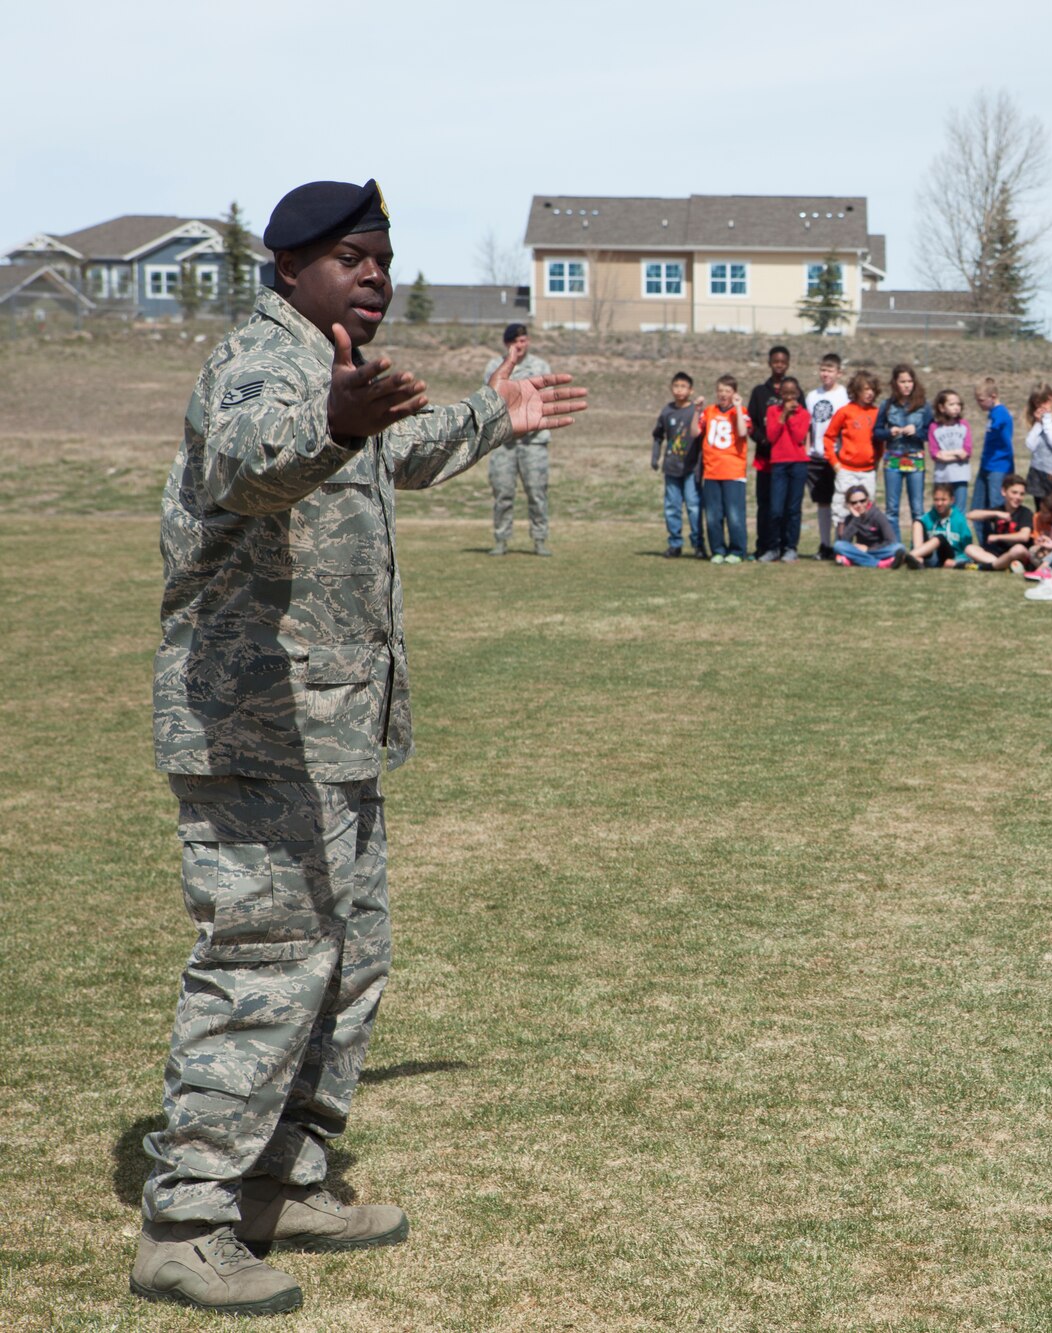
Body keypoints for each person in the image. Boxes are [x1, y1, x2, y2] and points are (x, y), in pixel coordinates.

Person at [135, 179, 586, 1315]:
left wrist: (497, 416)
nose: (375, 274)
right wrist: (332, 420)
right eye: (350, 256)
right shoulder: (264, 364)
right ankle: (186, 1220)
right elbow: (250, 460)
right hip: (257, 727)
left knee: (346, 959)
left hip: (332, 728)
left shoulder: (341, 373)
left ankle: (279, 1179)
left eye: (383, 256)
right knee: (262, 963)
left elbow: (399, 449)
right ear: (289, 268)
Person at [484, 322, 555, 556]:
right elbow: (488, 402)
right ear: (507, 344)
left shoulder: (540, 366)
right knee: (503, 493)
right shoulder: (495, 367)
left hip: (533, 442)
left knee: (537, 492)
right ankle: (501, 539)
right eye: (515, 341)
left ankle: (540, 539)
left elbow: (546, 400)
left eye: (523, 340)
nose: (520, 345)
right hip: (504, 442)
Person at [698, 375, 752, 563]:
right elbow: (695, 432)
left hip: (733, 471)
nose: (723, 395)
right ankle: (718, 550)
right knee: (713, 515)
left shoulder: (741, 411)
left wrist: (737, 407)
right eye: (720, 391)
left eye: (727, 391)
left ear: (734, 393)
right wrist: (696, 411)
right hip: (712, 471)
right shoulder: (709, 411)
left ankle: (737, 550)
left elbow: (743, 432)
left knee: (734, 515)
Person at [650, 370, 703, 558]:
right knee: (672, 506)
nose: (679, 390)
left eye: (683, 386)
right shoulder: (667, 411)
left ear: (691, 390)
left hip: (691, 468)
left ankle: (698, 545)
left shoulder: (696, 411)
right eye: (676, 386)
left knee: (693, 506)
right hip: (672, 467)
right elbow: (658, 436)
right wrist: (655, 457)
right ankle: (675, 543)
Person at [875, 363, 931, 540]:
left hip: (915, 458)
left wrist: (917, 432)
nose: (907, 385)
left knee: (917, 508)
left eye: (909, 381)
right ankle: (895, 547)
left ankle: (918, 548)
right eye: (902, 381)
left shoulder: (923, 405)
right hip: (893, 459)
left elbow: (930, 433)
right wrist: (888, 433)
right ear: (895, 383)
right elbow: (876, 431)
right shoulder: (887, 405)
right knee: (892, 508)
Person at [759, 375, 810, 562]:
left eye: (792, 393)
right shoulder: (773, 410)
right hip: (779, 463)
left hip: (798, 463)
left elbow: (799, 437)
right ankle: (773, 547)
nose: (789, 397)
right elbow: (771, 436)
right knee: (776, 509)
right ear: (780, 393)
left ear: (798, 394)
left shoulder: (804, 414)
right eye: (785, 393)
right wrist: (782, 415)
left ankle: (790, 547)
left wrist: (791, 417)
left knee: (793, 509)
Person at [747, 345, 790, 559]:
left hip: (786, 459)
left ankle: (783, 546)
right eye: (776, 361)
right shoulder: (759, 392)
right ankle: (763, 545)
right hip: (765, 459)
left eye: (783, 362)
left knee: (782, 506)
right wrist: (762, 439)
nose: (779, 365)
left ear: (788, 364)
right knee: (764, 505)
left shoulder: (793, 390)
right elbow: (751, 423)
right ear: (769, 363)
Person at [804, 353, 848, 559]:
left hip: (838, 456)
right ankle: (824, 544)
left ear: (839, 373)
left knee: (841, 501)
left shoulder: (844, 396)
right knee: (822, 502)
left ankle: (842, 545)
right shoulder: (812, 396)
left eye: (830, 370)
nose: (825, 374)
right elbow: (808, 426)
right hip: (816, 456)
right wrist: (807, 450)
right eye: (823, 370)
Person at [824, 371, 881, 527]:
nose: (869, 393)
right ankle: (842, 548)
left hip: (868, 472)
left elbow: (879, 441)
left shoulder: (877, 413)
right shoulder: (845, 412)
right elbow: (829, 437)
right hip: (846, 471)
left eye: (872, 389)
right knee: (842, 511)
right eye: (865, 389)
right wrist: (835, 463)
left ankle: (865, 548)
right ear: (856, 390)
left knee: (867, 511)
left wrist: (876, 461)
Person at [965, 474, 1038, 572]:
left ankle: (991, 566)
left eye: (1021, 494)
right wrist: (996, 513)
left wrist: (998, 537)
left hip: (1018, 554)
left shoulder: (1025, 513)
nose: (1018, 497)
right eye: (1014, 492)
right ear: (1004, 491)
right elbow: (971, 515)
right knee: (969, 548)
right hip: (999, 554)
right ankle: (1003, 565)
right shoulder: (999, 510)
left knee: (1018, 549)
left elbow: (1024, 536)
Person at [971, 378, 1014, 539]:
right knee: (977, 508)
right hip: (986, 466)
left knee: (996, 508)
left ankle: (998, 544)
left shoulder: (1001, 413)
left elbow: (1003, 431)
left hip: (999, 468)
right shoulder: (992, 414)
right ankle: (984, 545)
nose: (979, 404)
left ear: (993, 396)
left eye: (981, 400)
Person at [830, 486, 904, 568]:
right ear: (849, 504)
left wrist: (868, 549)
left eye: (862, 501)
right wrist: (856, 519)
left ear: (868, 500)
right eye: (854, 503)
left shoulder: (877, 515)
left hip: (879, 550)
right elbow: (845, 541)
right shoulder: (850, 518)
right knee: (838, 546)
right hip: (859, 551)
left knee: (899, 547)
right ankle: (881, 563)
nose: (859, 505)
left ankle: (854, 560)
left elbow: (890, 540)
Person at [906, 482, 976, 568]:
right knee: (917, 522)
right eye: (936, 500)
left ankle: (906, 557)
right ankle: (916, 559)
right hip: (929, 556)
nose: (939, 504)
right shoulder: (927, 517)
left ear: (952, 500)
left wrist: (956, 561)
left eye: (943, 500)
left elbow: (967, 549)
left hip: (948, 556)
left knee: (940, 538)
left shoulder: (959, 520)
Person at [927, 387, 975, 513]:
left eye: (958, 404)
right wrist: (956, 453)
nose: (956, 407)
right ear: (942, 408)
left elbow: (967, 452)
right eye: (952, 404)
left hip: (960, 475)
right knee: (941, 510)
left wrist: (947, 454)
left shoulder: (964, 425)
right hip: (942, 477)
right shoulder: (934, 427)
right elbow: (935, 454)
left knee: (959, 511)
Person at [1024, 385, 1052, 498]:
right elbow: (1030, 444)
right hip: (1037, 470)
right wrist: (1038, 423)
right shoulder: (1037, 417)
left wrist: (1047, 419)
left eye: (1043, 402)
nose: (1040, 407)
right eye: (1036, 403)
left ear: (1050, 399)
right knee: (1041, 510)